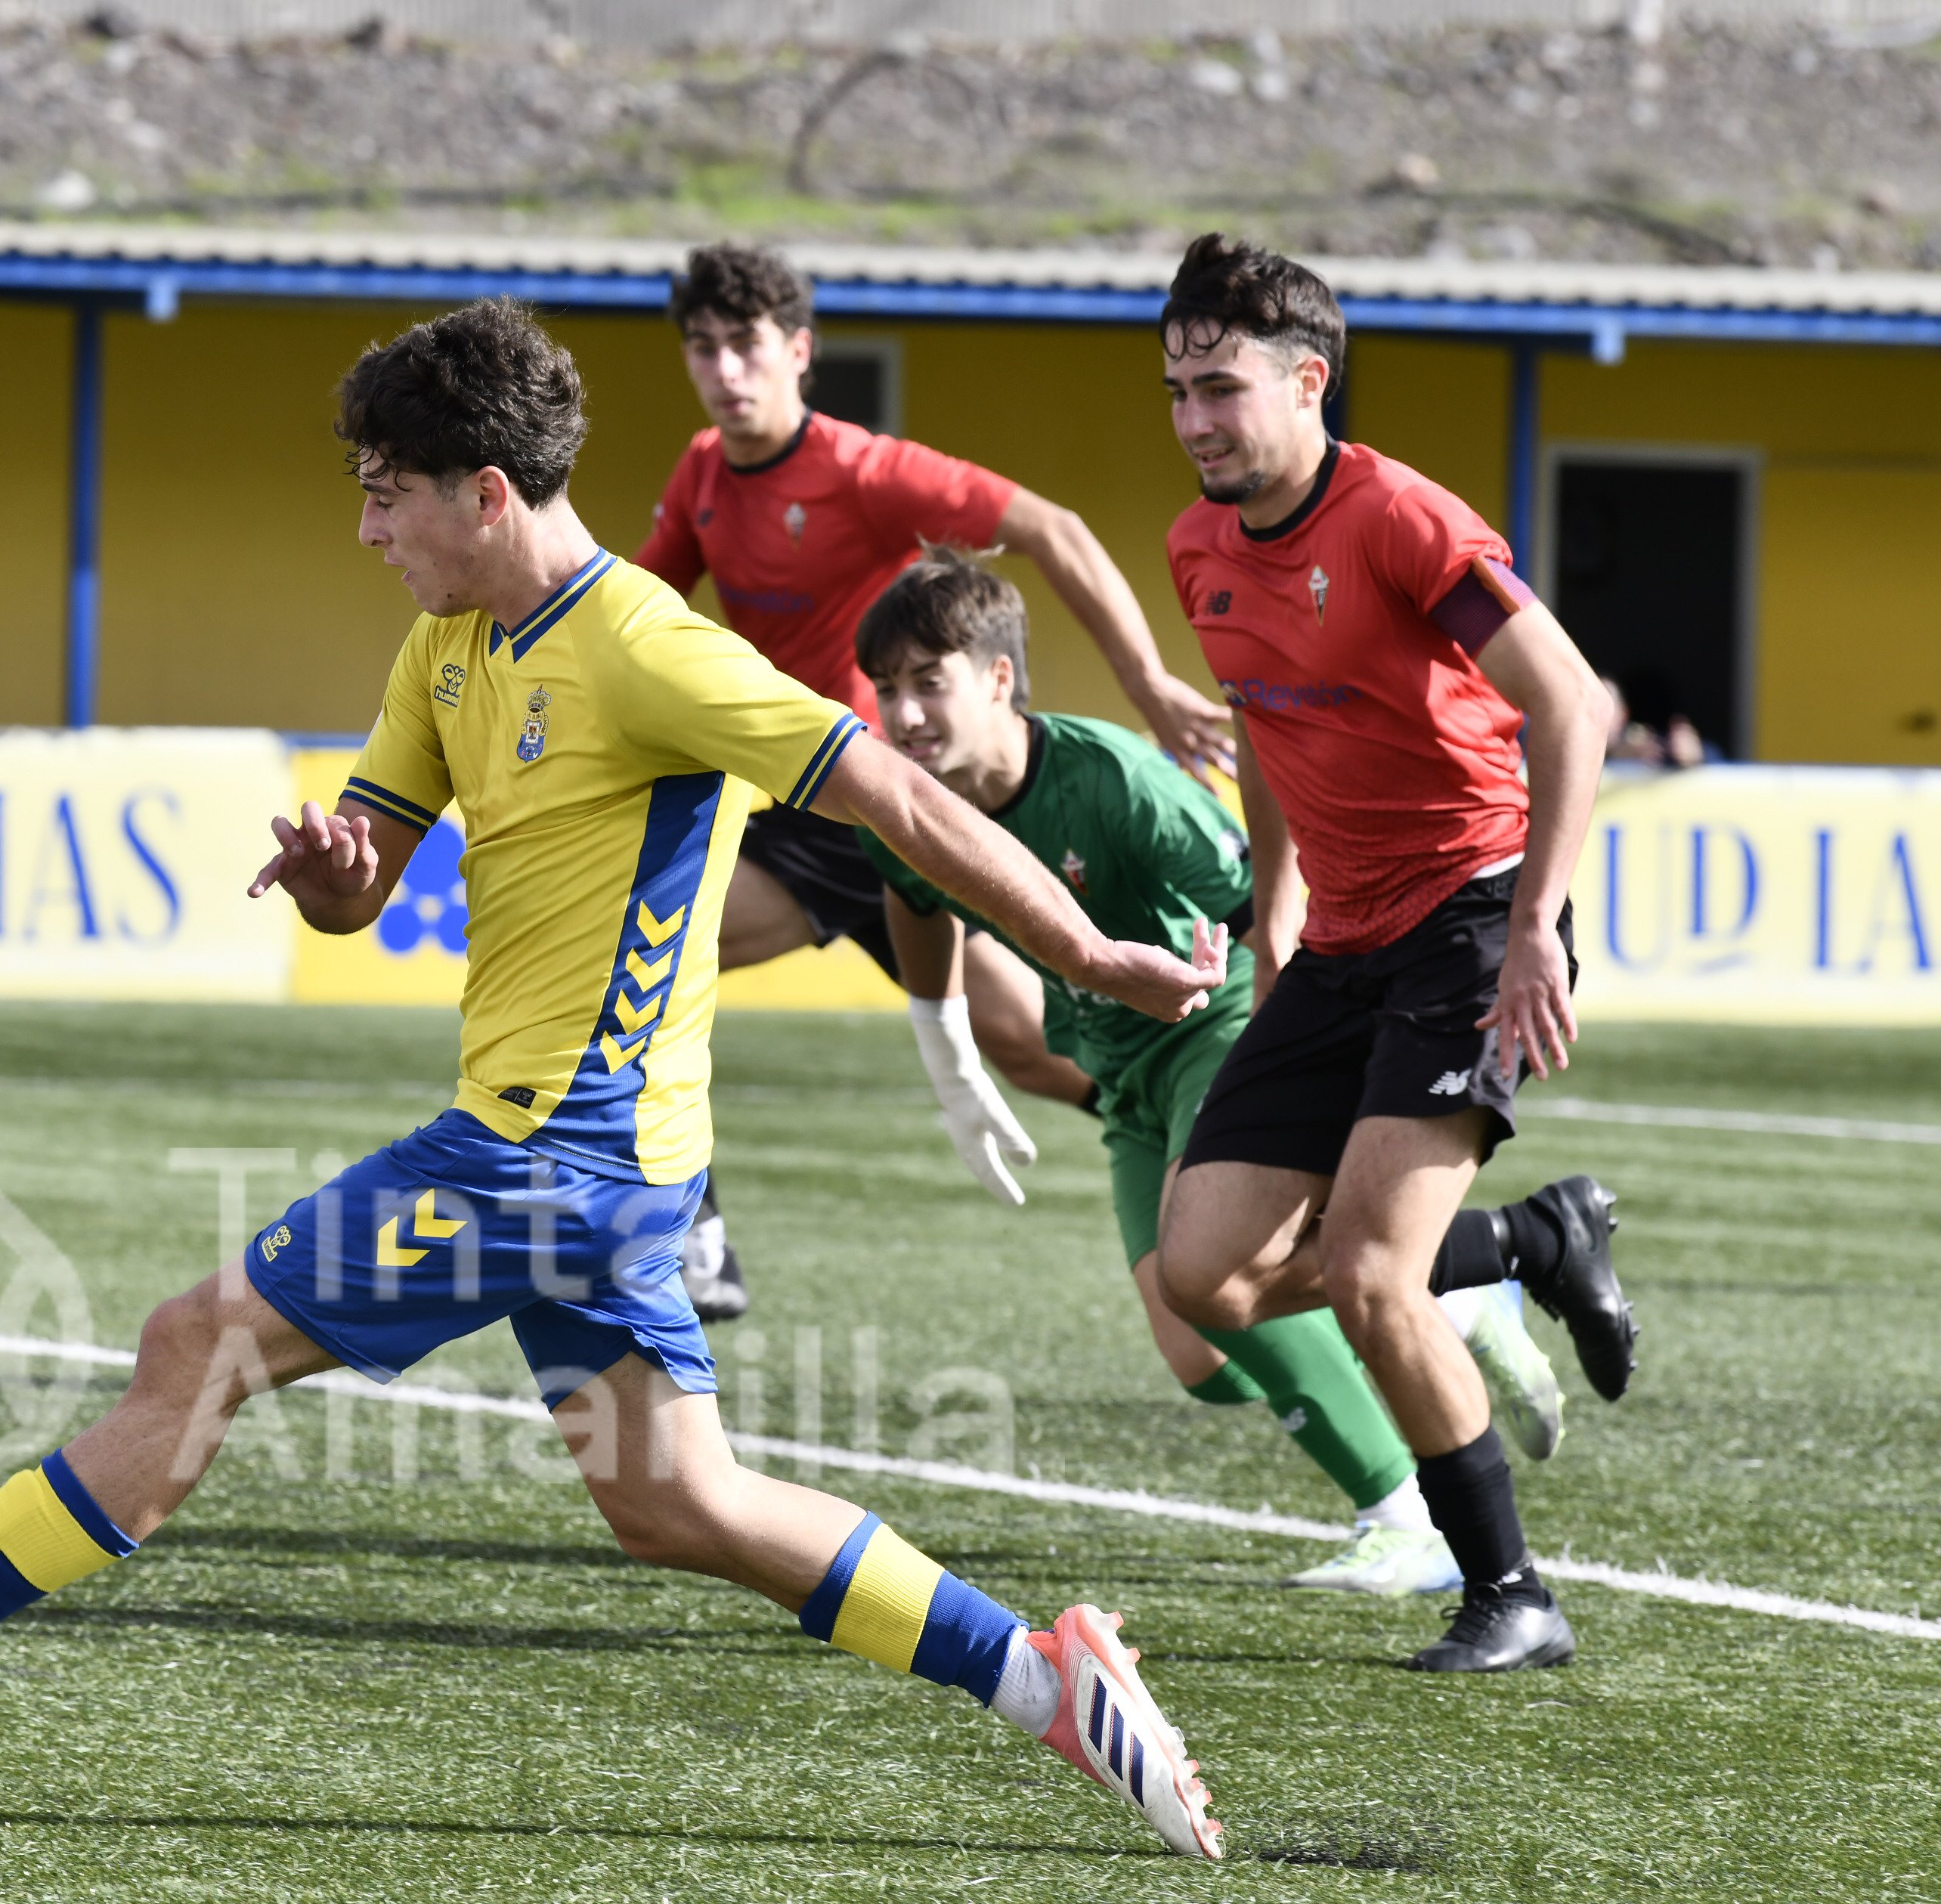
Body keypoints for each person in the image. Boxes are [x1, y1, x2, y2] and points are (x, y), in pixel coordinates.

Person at [0, 298, 1229, 1860]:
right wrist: (334, 876)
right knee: (679, 1503)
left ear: (486, 493)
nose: (367, 530)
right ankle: (1044, 1679)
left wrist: (1087, 954)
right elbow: (365, 877)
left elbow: (893, 792)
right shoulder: (449, 645)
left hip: (550, 1153)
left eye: (386, 495)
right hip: (604, 1166)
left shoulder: (647, 646)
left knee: (195, 1342)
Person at [855, 547, 1607, 1594]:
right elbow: (916, 899)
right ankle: (1480, 1279)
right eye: (886, 688)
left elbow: (1263, 911)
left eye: (927, 683)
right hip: (1125, 1074)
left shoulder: (1116, 783)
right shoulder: (902, 802)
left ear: (997, 678)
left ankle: (1405, 1515)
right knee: (1200, 1355)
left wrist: (1287, 1070)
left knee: (1215, 1279)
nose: (903, 713)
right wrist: (952, 1068)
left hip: (1217, 1028)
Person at [1146, 236, 1640, 1673]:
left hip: (1473, 918)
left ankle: (1512, 1595)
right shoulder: (1197, 548)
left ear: (1310, 383)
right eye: (1177, 392)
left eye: (1221, 389)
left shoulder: (1403, 521)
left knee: (1370, 1275)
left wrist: (1536, 925)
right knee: (1204, 1276)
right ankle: (1534, 1243)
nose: (1194, 421)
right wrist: (1272, 910)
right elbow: (1262, 725)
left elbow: (1573, 706)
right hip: (1342, 940)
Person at [635, 242, 1232, 1315]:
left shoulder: (862, 471)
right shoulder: (701, 474)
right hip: (802, 813)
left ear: (799, 351)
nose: (724, 370)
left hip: (894, 808)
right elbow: (637, 618)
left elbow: (1052, 529)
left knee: (1029, 1047)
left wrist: (1147, 680)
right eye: (702, 347)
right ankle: (695, 1238)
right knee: (642, 953)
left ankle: (1248, 1159)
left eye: (745, 345)